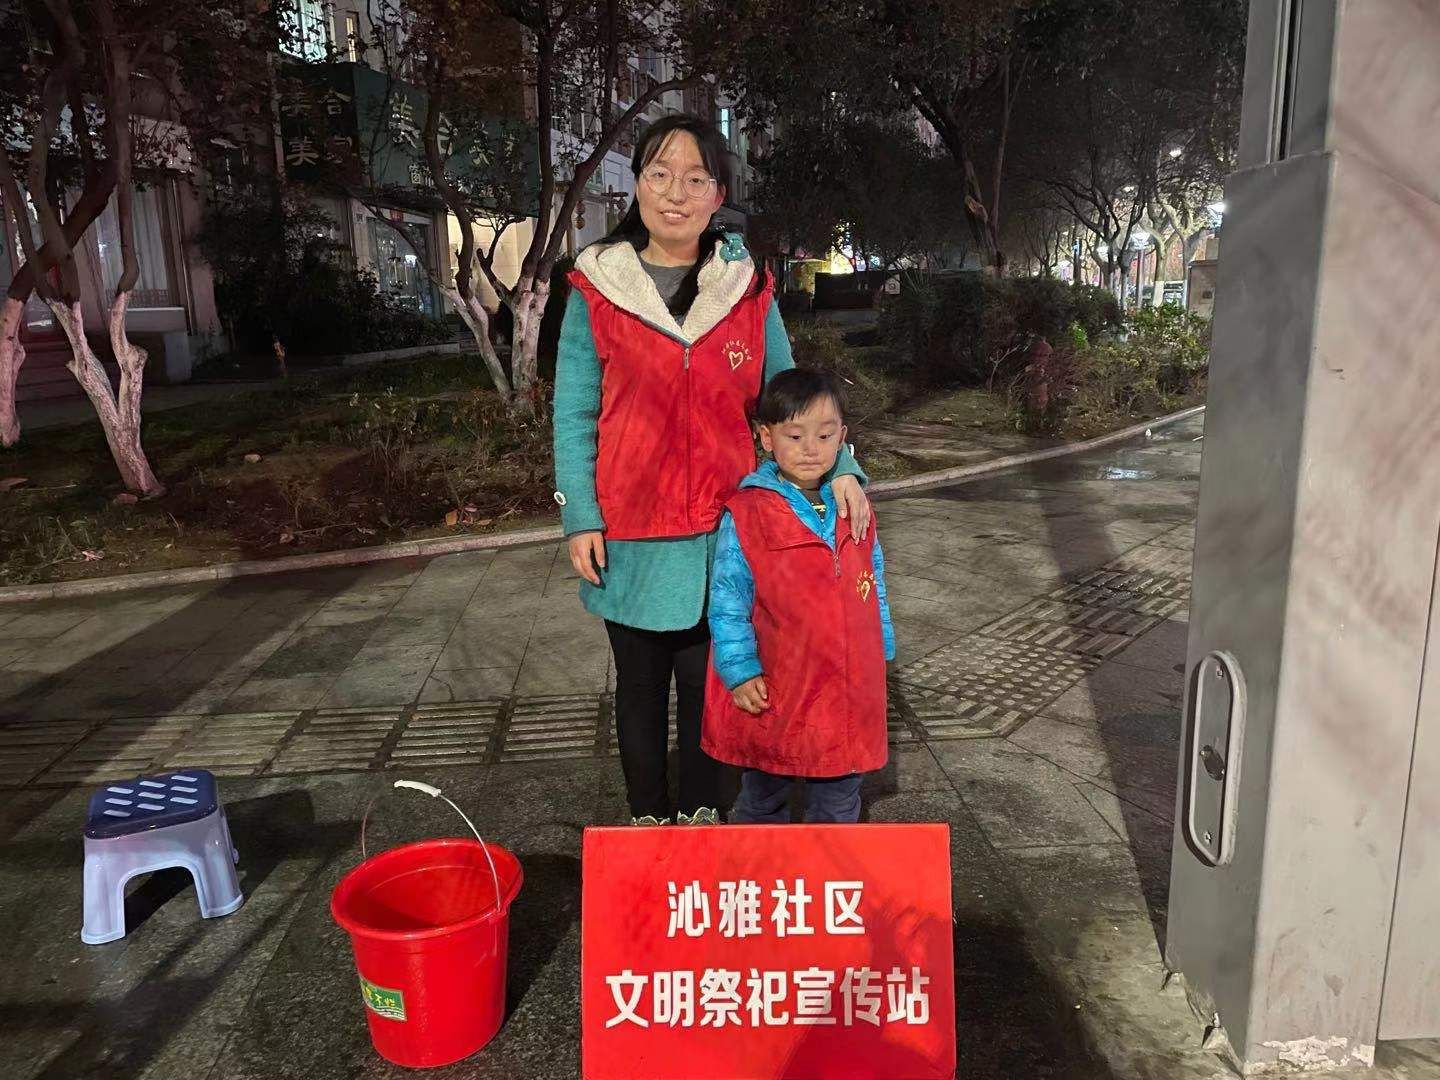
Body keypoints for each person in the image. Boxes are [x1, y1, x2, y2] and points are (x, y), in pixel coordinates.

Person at [552, 114, 871, 827]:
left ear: (718, 194)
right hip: (630, 531)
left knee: (711, 687)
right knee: (638, 689)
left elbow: (789, 390)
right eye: (660, 174)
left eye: (695, 179)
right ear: (637, 185)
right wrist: (580, 516)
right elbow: (573, 411)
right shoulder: (597, 287)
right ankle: (647, 820)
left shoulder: (745, 288)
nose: (676, 193)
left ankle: (702, 819)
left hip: (726, 530)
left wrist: (842, 466)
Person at [703, 369, 895, 824]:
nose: (811, 448)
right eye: (795, 435)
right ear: (767, 438)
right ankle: (759, 866)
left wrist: (881, 645)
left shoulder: (854, 507)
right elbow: (727, 598)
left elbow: (874, 579)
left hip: (845, 688)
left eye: (825, 435)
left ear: (842, 438)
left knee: (839, 798)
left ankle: (827, 866)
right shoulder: (748, 512)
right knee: (764, 795)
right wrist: (739, 669)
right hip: (781, 685)